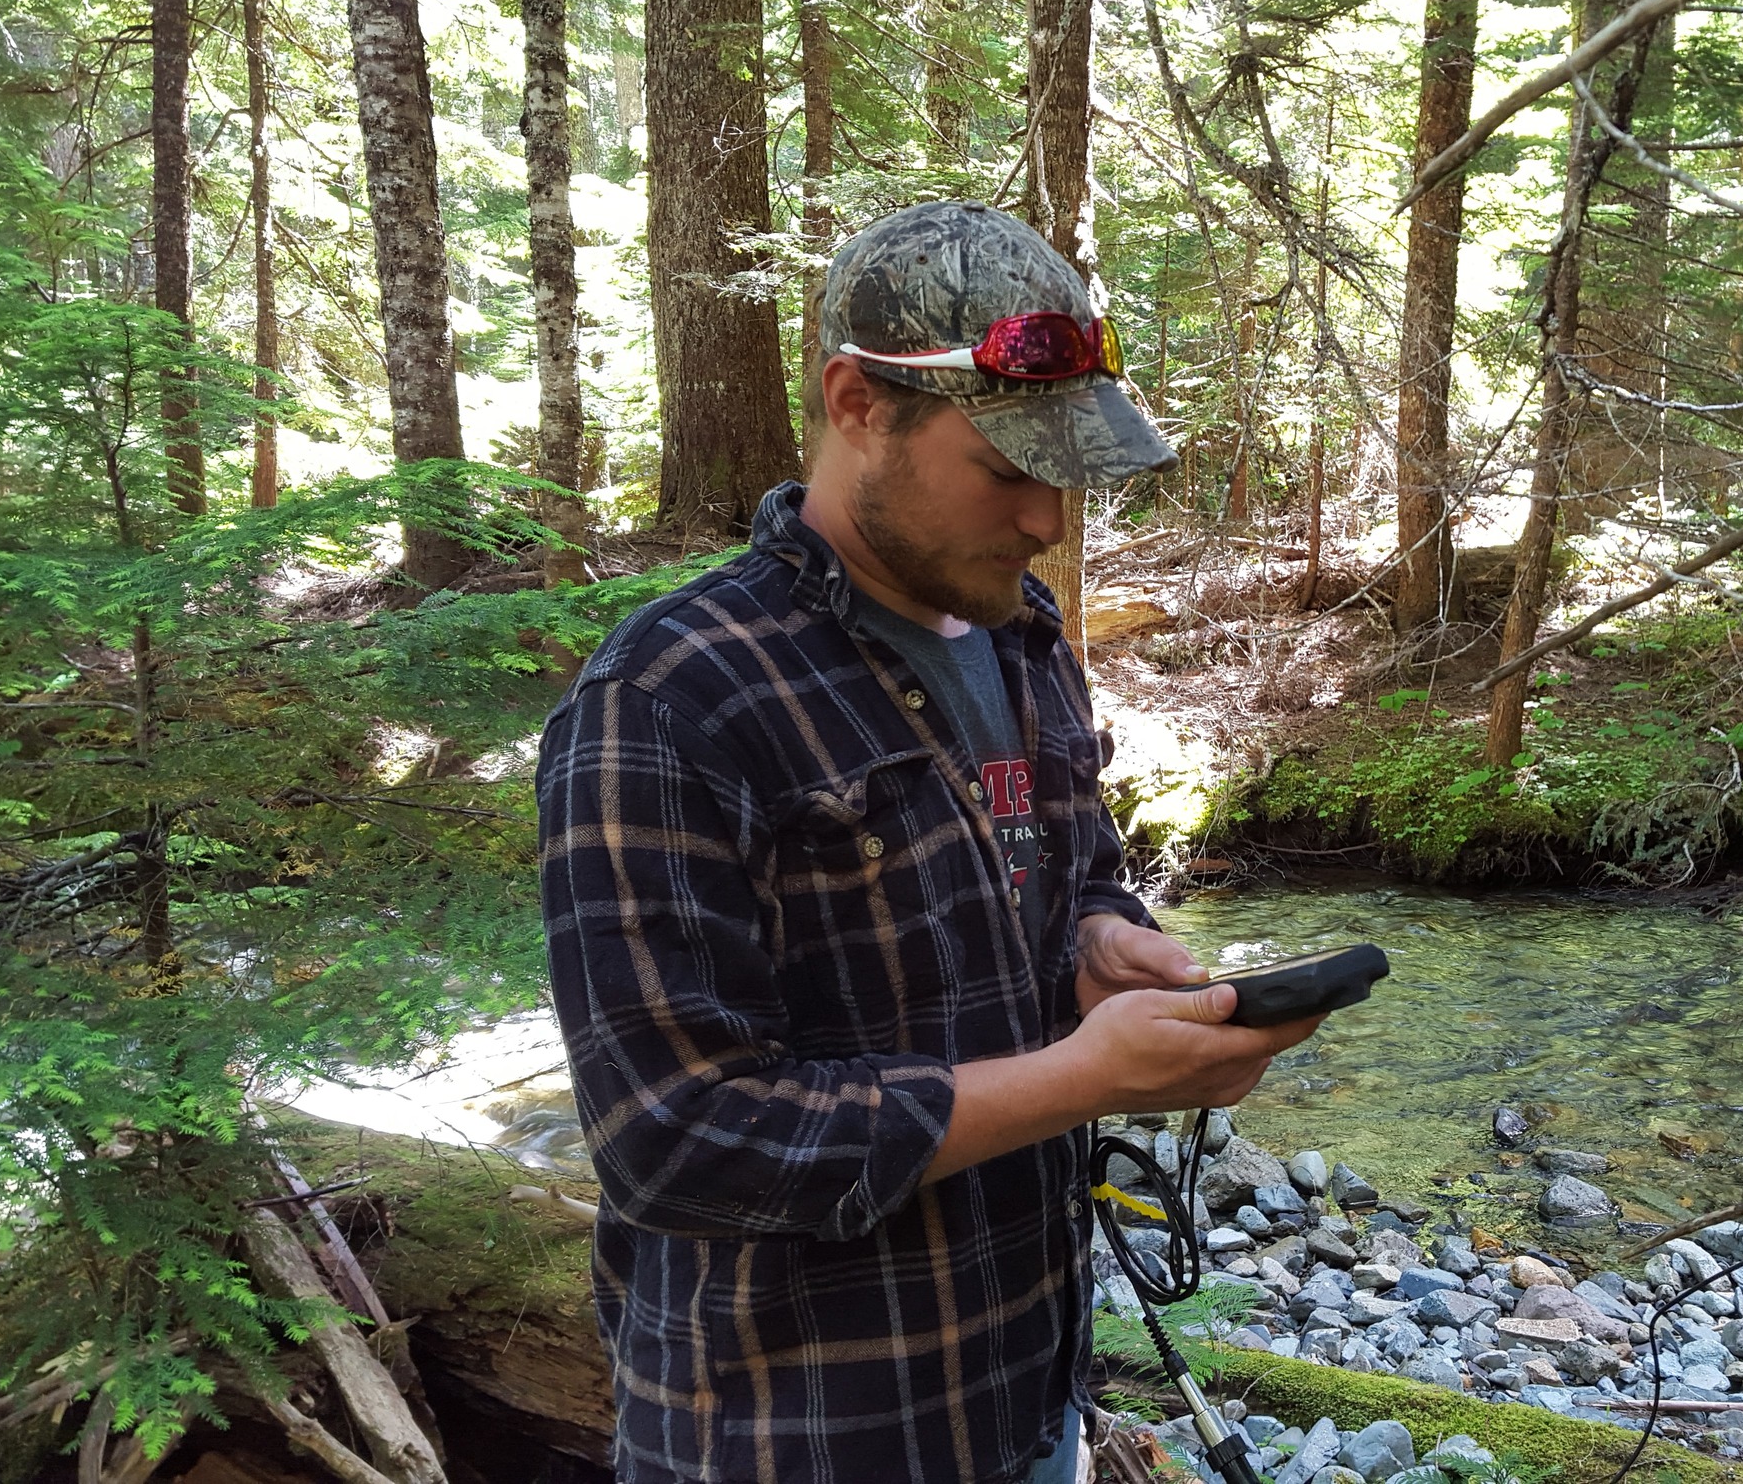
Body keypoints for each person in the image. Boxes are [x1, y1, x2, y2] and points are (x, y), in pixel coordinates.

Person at [537, 200, 1325, 1484]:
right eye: (1009, 472)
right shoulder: (670, 700)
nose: (1046, 524)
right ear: (858, 404)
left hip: (1025, 1393)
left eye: (1064, 477)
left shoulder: (1022, 641)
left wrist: (1102, 947)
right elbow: (672, 1137)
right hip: (789, 1435)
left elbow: (1070, 879)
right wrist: (1087, 1079)